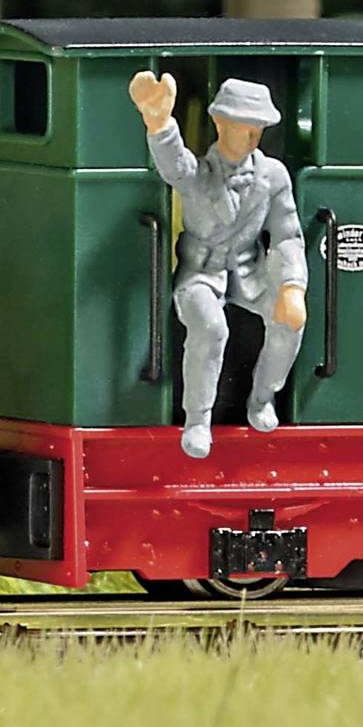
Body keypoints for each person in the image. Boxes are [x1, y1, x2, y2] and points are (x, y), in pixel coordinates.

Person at [128, 69, 308, 460]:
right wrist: (159, 122)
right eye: (245, 126)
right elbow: (174, 165)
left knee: (290, 322)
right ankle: (197, 420)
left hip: (250, 273)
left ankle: (262, 398)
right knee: (211, 327)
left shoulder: (273, 176)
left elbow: (287, 234)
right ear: (220, 122)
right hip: (201, 275)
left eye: (259, 127)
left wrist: (293, 286)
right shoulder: (200, 176)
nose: (253, 135)